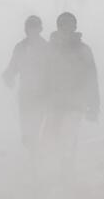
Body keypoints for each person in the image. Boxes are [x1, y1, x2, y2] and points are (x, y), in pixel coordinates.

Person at [41, 12, 99, 175]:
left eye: (69, 25)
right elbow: (42, 76)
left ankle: (65, 174)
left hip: (75, 103)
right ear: (59, 27)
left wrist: (94, 106)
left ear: (74, 27)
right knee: (48, 139)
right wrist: (38, 100)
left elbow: (91, 77)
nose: (66, 28)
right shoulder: (50, 49)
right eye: (63, 25)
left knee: (67, 137)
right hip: (54, 102)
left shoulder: (83, 50)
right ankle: (49, 173)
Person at [2, 15, 49, 153]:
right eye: (30, 28)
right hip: (26, 94)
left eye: (35, 27)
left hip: (42, 94)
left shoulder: (46, 47)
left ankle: (38, 151)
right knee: (28, 127)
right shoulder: (21, 47)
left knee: (39, 125)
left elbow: (52, 70)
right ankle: (31, 151)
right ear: (26, 30)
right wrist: (8, 77)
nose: (32, 31)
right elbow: (12, 67)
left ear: (40, 29)